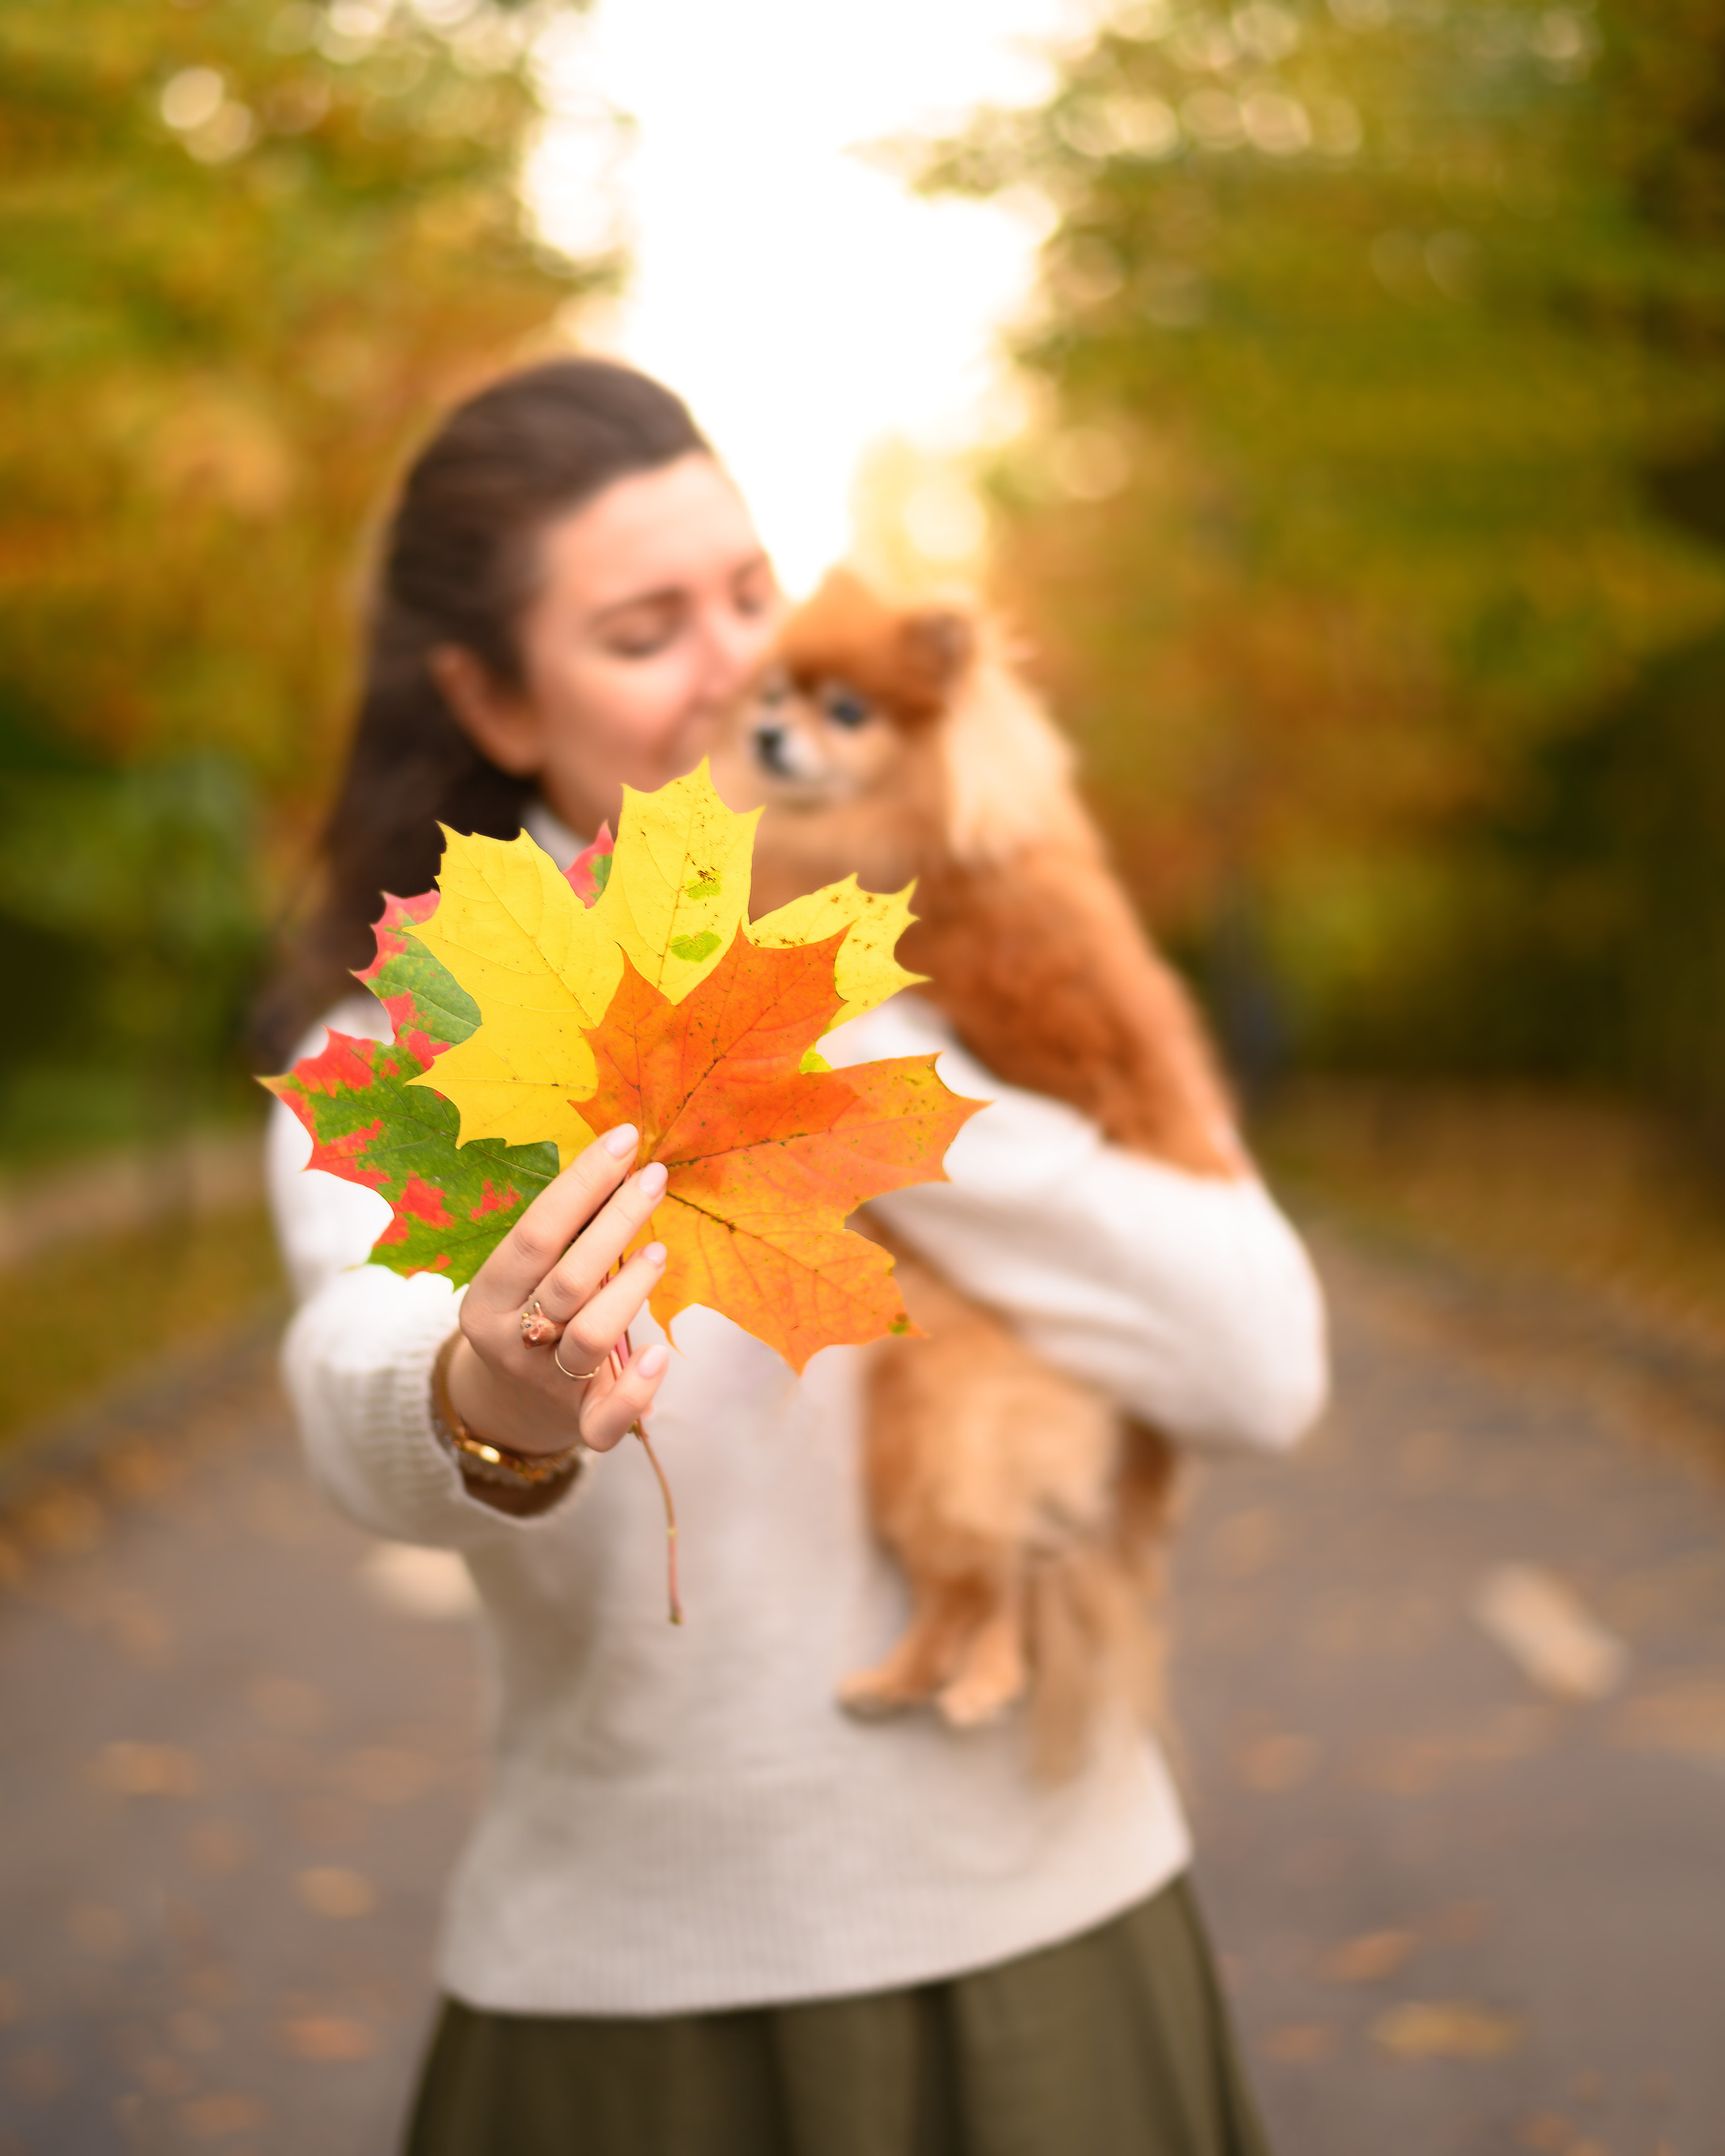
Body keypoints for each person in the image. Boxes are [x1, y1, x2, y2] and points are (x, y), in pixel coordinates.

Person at [261, 356, 1329, 2155]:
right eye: (643, 632)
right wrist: (484, 1396)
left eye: (751, 595)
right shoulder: (409, 1036)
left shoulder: (962, 937)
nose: (732, 668)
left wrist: (853, 1069)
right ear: (492, 700)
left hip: (1059, 1945)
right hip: (629, 2011)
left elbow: (1263, 1360)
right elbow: (355, 1386)